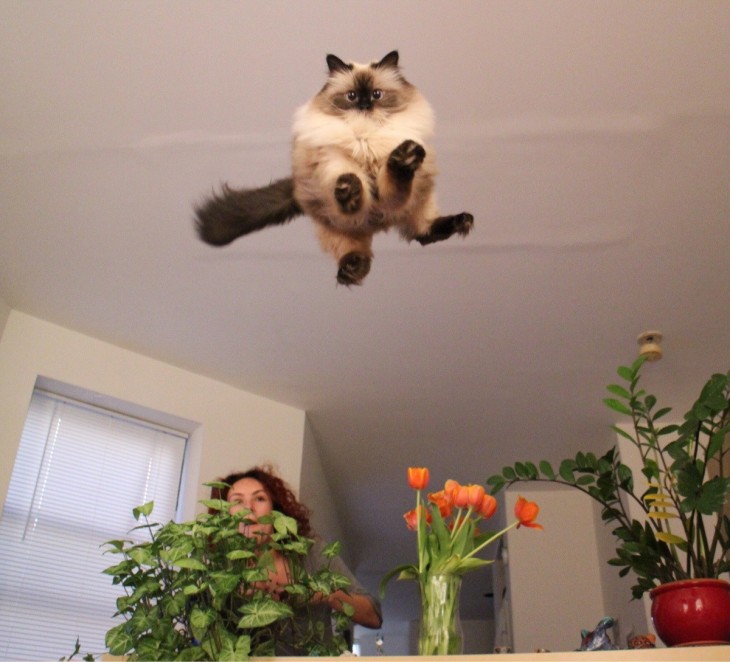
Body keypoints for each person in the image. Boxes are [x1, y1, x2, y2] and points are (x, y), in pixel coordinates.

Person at [210, 465, 382, 654]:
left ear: (274, 510)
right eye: (237, 501)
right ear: (224, 516)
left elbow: (373, 616)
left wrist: (324, 593)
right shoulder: (218, 568)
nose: (249, 508)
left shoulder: (310, 552)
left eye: (259, 498)